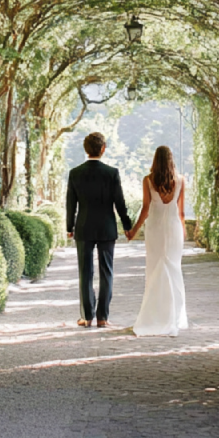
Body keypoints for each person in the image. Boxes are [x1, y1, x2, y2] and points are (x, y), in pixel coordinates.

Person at [66, 132, 132, 328]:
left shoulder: (75, 173)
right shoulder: (112, 173)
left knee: (85, 272)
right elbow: (120, 203)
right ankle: (102, 317)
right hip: (106, 228)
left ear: (85, 149)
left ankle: (87, 316)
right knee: (106, 272)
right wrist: (127, 226)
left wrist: (69, 227)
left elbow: (71, 204)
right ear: (103, 148)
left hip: (84, 227)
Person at [126, 145, 188, 337]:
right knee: (174, 268)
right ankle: (174, 316)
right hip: (174, 228)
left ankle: (154, 316)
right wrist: (183, 231)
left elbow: (146, 209)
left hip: (155, 229)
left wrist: (134, 230)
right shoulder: (180, 181)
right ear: (171, 160)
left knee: (154, 269)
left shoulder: (148, 180)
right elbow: (181, 212)